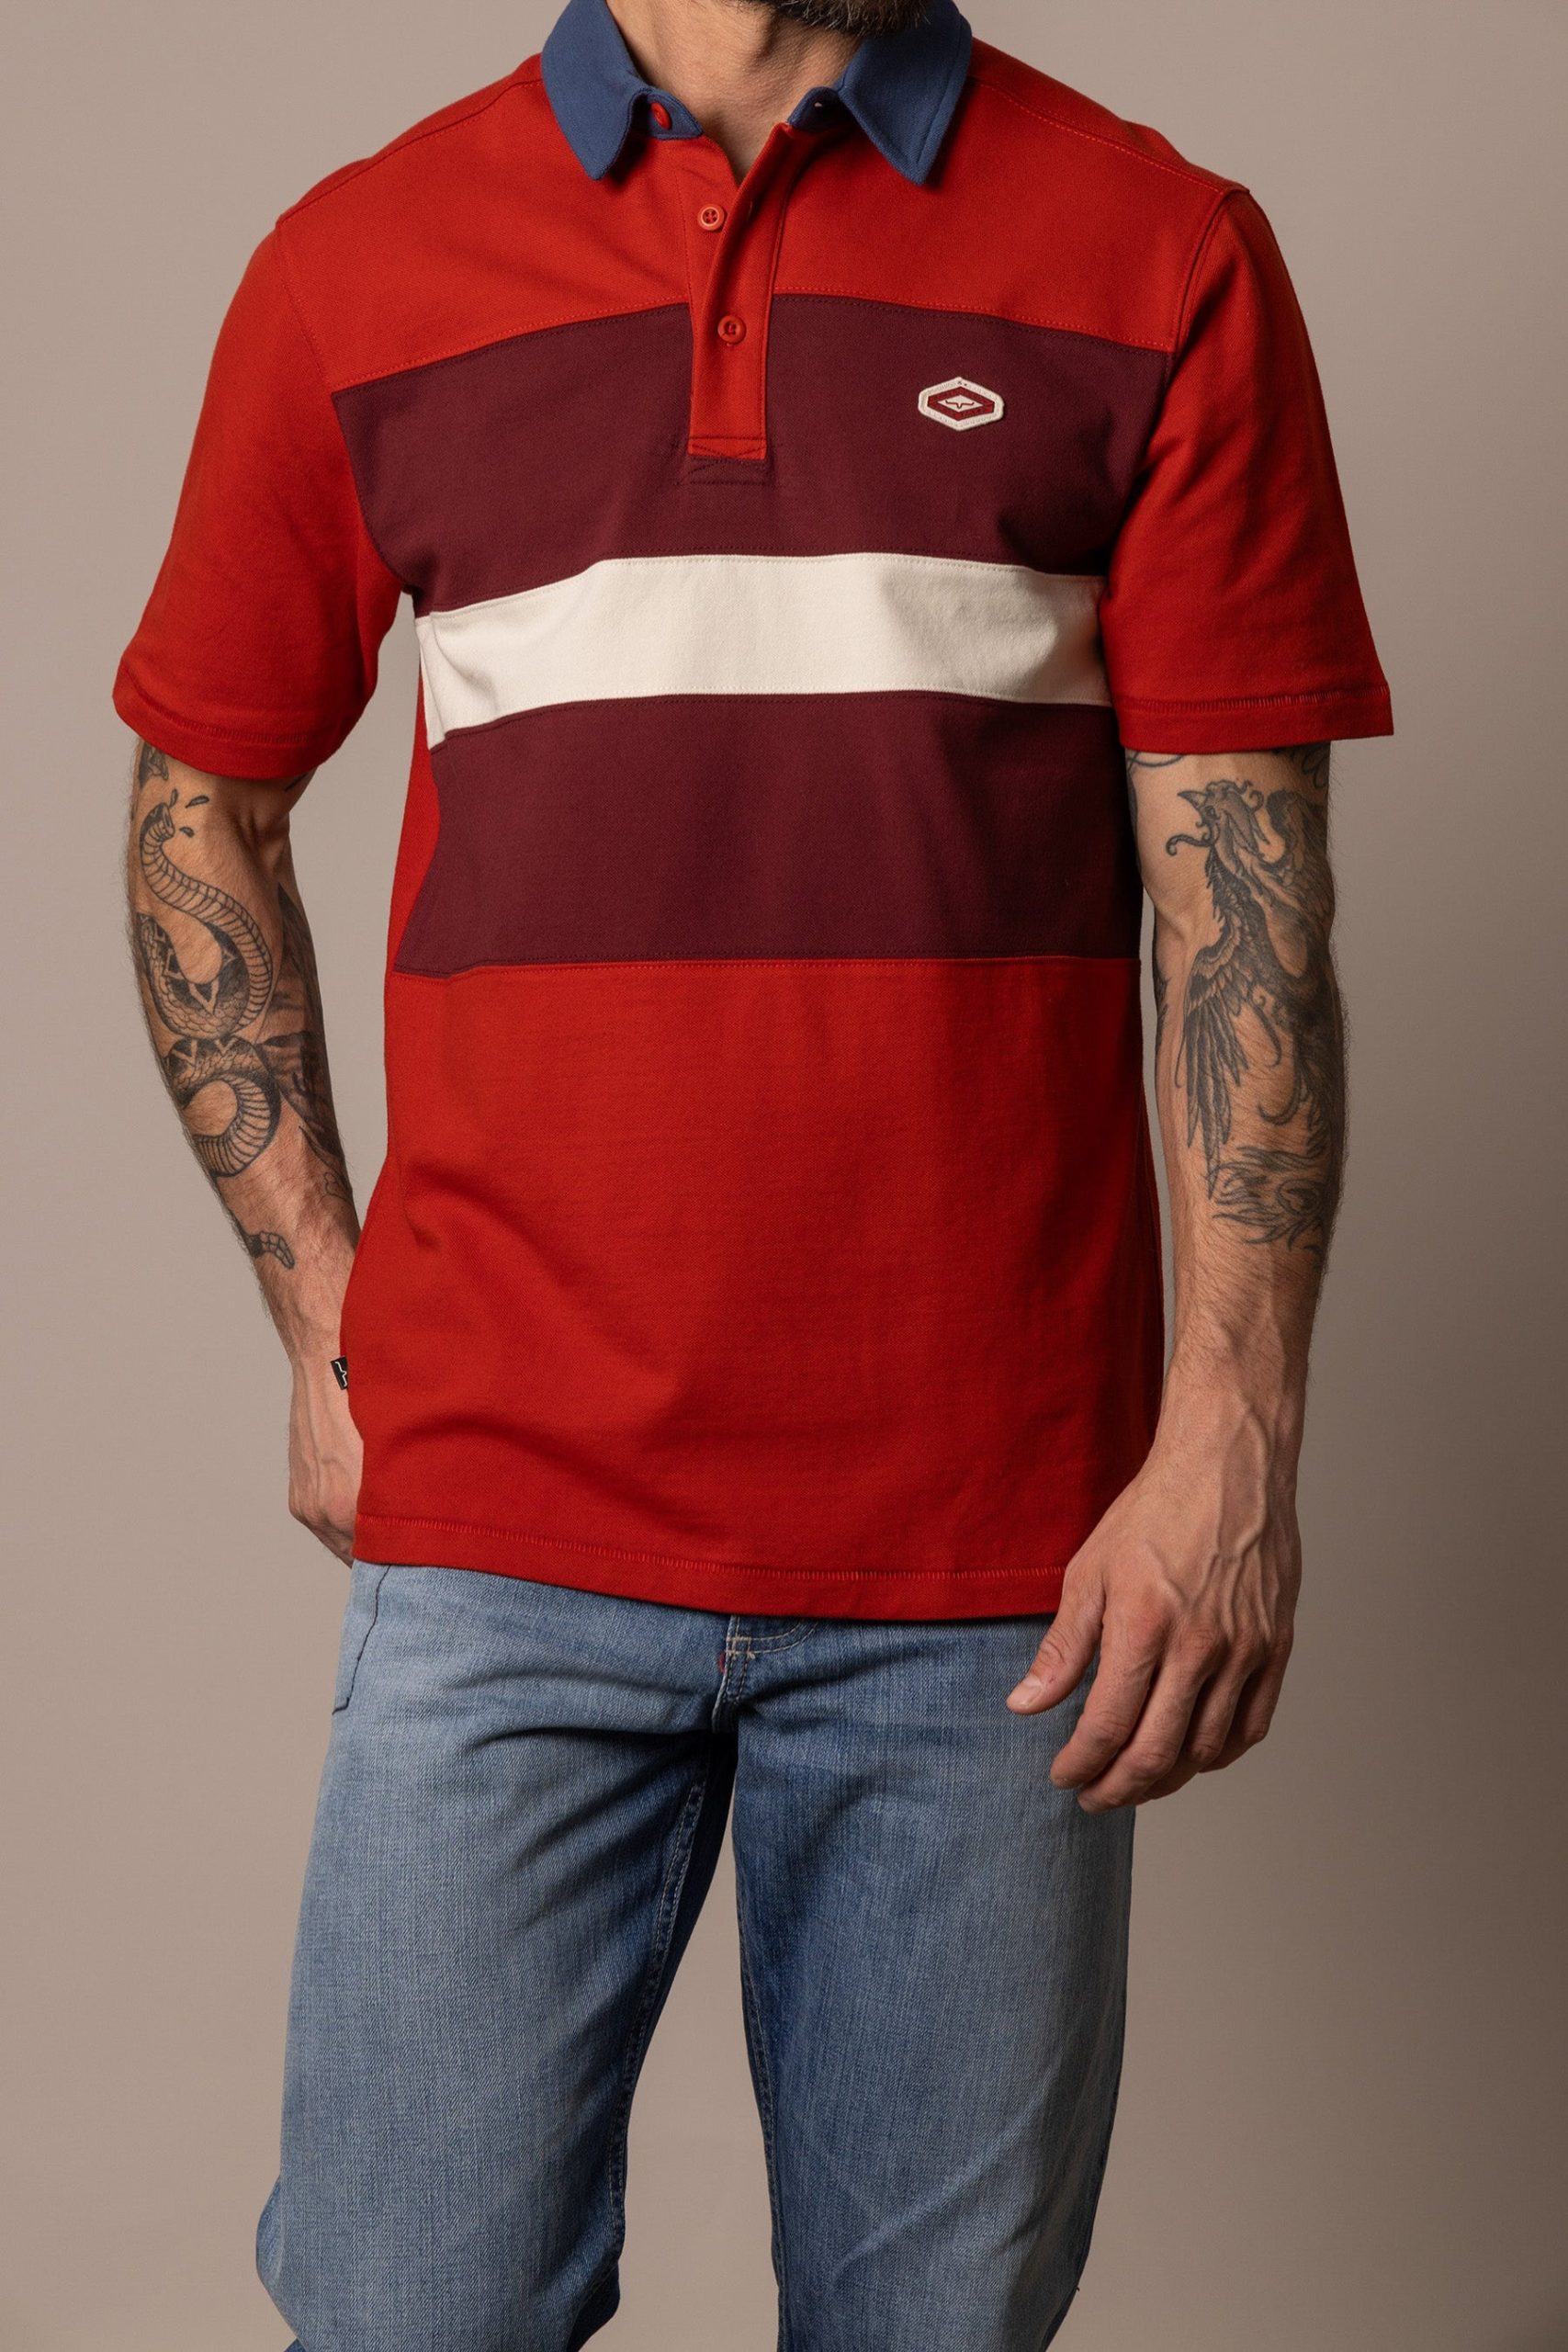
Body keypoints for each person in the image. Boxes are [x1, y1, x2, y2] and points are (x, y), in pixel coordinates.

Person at [115, 0, 1392, 2342]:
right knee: (403, 2307)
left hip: (996, 1569)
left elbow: (1246, 906)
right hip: (505, 1522)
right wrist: (318, 1303)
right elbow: (203, 790)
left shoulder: (1158, 251)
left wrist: (1233, 1432)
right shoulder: (357, 262)